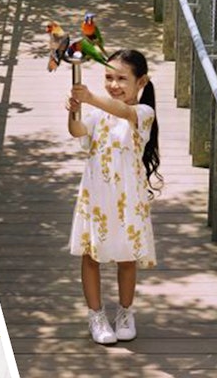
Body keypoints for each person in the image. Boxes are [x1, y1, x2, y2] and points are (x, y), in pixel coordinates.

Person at [65, 48, 160, 345]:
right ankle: (96, 315)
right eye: (108, 77)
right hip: (96, 196)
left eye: (122, 79)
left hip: (128, 197)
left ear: (140, 82)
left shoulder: (143, 113)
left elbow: (125, 112)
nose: (114, 85)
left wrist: (91, 96)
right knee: (91, 255)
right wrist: (74, 109)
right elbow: (77, 130)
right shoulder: (97, 115)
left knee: (127, 257)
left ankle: (125, 312)